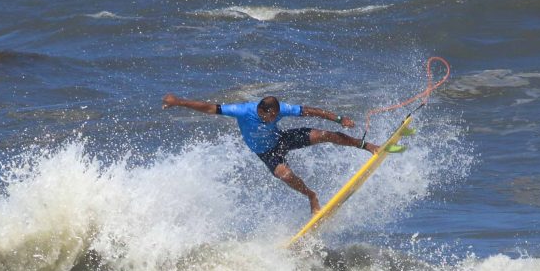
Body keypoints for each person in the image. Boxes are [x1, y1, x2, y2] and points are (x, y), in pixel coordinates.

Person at [162, 93, 382, 214]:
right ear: (261, 111)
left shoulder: (280, 109)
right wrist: (179, 102)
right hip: (266, 153)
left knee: (325, 134)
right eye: (272, 116)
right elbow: (210, 108)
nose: (275, 117)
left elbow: (310, 111)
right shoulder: (242, 110)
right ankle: (312, 197)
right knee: (285, 175)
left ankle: (367, 146)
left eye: (278, 114)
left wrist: (338, 119)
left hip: (280, 140)